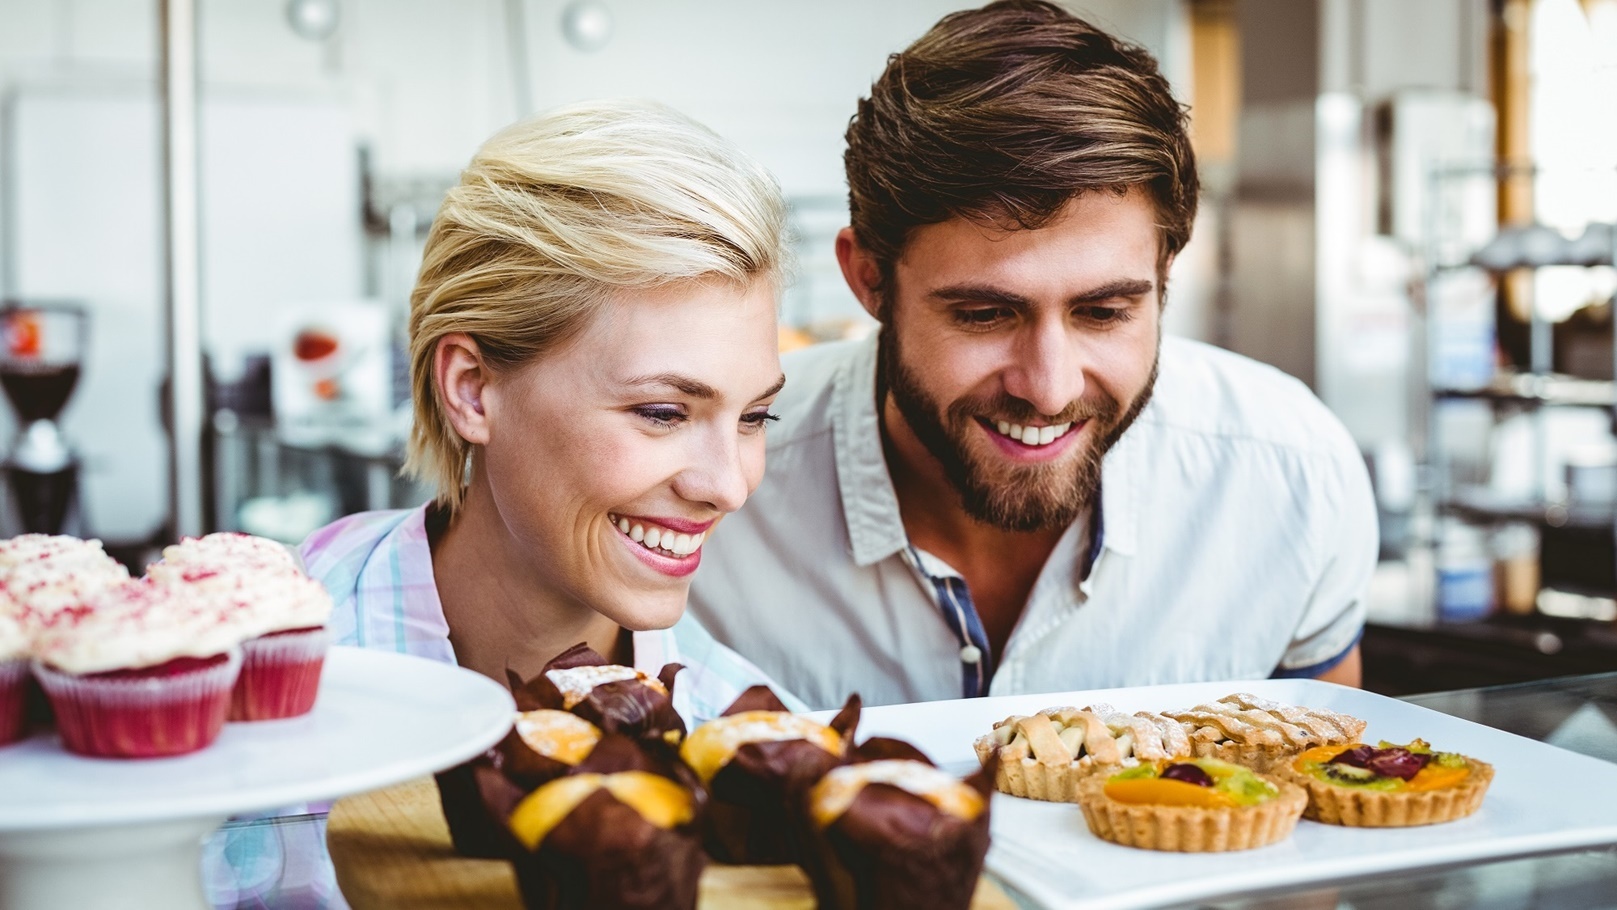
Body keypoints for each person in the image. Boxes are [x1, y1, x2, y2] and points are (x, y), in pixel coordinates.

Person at [687, 0, 1378, 711]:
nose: (1048, 389)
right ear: (869, 278)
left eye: (1104, 312)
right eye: (984, 314)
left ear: (1165, 276)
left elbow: (1318, 799)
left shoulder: (1291, 477)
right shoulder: (707, 492)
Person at [299, 98, 804, 722]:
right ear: (472, 389)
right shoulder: (243, 674)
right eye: (663, 413)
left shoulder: (751, 748)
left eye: (755, 417)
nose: (728, 487)